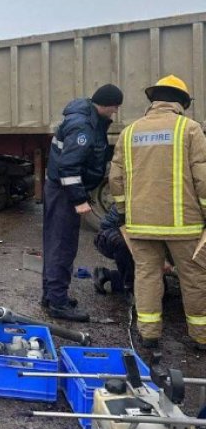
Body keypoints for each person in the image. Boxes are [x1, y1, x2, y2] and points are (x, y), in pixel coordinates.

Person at [109, 75, 206, 350]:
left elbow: (116, 178)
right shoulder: (190, 129)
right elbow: (203, 177)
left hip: (140, 224)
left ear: (154, 100)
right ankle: (200, 337)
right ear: (181, 102)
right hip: (184, 226)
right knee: (195, 278)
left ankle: (149, 333)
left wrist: (124, 211)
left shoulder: (129, 132)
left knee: (147, 276)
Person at [42, 84, 124, 322]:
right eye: (115, 107)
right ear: (107, 104)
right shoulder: (83, 126)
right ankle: (57, 303)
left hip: (60, 190)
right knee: (62, 246)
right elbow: (68, 167)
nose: (115, 112)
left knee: (56, 244)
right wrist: (79, 200)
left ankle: (51, 296)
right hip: (64, 192)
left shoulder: (87, 119)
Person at [92, 204, 134, 299]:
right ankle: (129, 287)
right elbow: (125, 233)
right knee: (122, 243)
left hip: (136, 238)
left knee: (159, 289)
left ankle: (108, 275)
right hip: (112, 235)